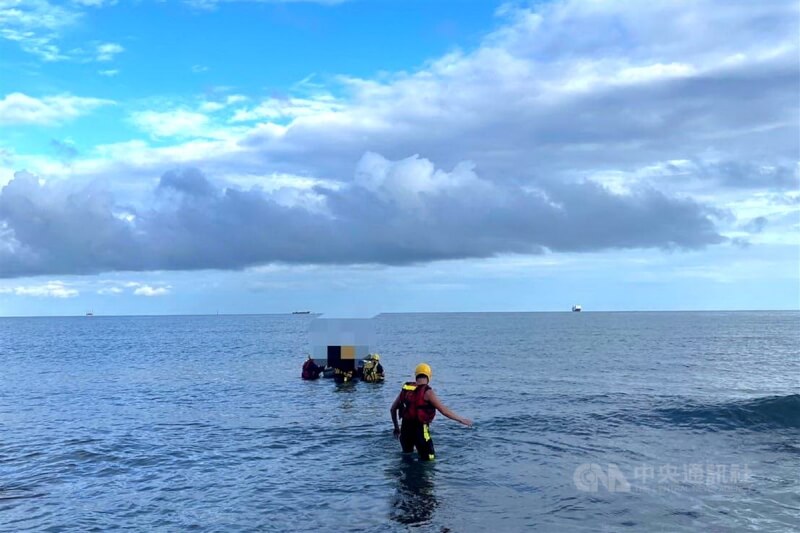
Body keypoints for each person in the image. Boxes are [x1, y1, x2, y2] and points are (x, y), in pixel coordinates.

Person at [390, 363, 472, 461]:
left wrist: (396, 428)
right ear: (429, 376)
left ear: (416, 375)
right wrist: (461, 419)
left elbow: (392, 409)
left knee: (407, 458)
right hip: (420, 430)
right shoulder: (428, 392)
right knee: (429, 460)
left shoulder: (406, 389)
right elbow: (444, 410)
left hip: (405, 430)